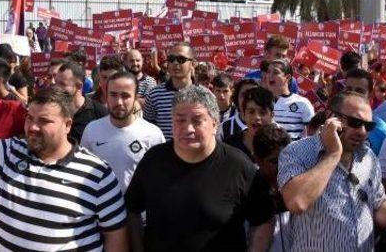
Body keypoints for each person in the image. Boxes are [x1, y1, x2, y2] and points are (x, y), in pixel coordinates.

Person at [0, 87, 129, 251]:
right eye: (29, 118)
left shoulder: (97, 174)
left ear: (68, 125)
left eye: (44, 121)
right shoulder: (7, 151)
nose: (33, 127)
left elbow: (115, 235)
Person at [125, 85, 273, 251]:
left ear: (214, 124)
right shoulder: (153, 160)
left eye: (197, 120)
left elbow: (263, 220)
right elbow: (132, 209)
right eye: (180, 120)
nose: (188, 129)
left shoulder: (239, 165)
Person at [278, 91, 386, 252]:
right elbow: (297, 202)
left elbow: (378, 204)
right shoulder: (297, 152)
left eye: (368, 126)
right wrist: (333, 154)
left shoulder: (368, 157)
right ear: (331, 117)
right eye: (355, 122)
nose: (362, 132)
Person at [81, 71, 165, 192]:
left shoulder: (152, 134)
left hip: (137, 210)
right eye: (113, 95)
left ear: (135, 97)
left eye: (125, 96)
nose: (119, 102)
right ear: (106, 95)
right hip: (100, 208)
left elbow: (160, 178)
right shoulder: (91, 130)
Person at [143, 42, 196, 140]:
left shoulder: (205, 95)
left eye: (181, 59)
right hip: (163, 153)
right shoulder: (154, 95)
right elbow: (147, 129)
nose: (175, 63)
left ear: (193, 64)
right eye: (171, 59)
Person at [252, 124, 292, 252]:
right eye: (275, 161)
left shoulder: (298, 182)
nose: (282, 166)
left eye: (285, 159)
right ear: (258, 160)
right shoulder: (249, 190)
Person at [54, 59, 107, 142]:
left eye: (62, 84)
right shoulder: (52, 110)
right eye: (56, 83)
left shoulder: (99, 113)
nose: (56, 88)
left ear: (79, 86)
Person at [344, 67, 386, 155]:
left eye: (359, 91)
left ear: (370, 95)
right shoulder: (331, 124)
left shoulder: (384, 132)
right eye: (349, 89)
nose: (353, 94)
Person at [266, 59, 314, 140]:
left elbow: (313, 134)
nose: (270, 75)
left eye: (275, 72)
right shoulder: (260, 101)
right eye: (268, 72)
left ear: (287, 77)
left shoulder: (302, 103)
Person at [225, 86, 276, 160]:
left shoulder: (279, 146)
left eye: (262, 113)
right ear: (243, 114)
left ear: (272, 116)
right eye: (251, 112)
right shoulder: (230, 146)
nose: (257, 117)